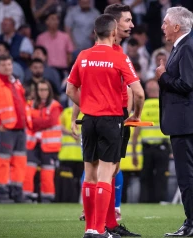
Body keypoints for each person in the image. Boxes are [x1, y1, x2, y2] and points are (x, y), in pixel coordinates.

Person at [66, 14, 145, 238]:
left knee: (89, 175)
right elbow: (138, 92)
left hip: (88, 120)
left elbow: (70, 90)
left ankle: (89, 229)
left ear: (94, 33)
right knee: (106, 174)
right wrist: (135, 115)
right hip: (111, 120)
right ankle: (100, 230)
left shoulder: (83, 56)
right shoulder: (118, 57)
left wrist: (89, 106)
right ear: (113, 33)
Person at [155, 6, 193, 237]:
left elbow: (186, 84)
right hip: (185, 120)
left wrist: (163, 76)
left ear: (176, 26)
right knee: (185, 174)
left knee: (187, 174)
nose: (162, 27)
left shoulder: (188, 47)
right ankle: (192, 222)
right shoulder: (184, 46)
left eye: (165, 23)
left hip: (187, 121)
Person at [0, 55, 32, 203]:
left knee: (20, 161)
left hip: (19, 128)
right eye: (4, 65)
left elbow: (22, 104)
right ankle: (2, 193)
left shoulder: (16, 82)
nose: (7, 68)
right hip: (5, 129)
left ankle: (17, 192)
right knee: (3, 161)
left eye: (9, 65)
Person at [23, 80, 63, 203]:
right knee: (28, 171)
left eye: (45, 89)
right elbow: (27, 121)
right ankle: (26, 196)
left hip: (49, 145)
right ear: (36, 91)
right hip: (33, 144)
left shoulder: (55, 105)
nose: (43, 92)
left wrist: (36, 123)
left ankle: (47, 198)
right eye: (40, 90)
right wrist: (40, 122)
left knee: (47, 173)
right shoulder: (29, 104)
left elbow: (50, 121)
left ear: (49, 91)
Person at [132, 80, 170, 203]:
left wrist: (133, 153)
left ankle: (144, 201)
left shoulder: (142, 106)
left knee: (145, 176)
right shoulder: (165, 105)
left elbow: (136, 132)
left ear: (147, 91)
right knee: (162, 175)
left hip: (147, 148)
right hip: (163, 147)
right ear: (159, 90)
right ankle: (161, 200)